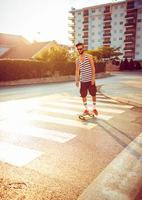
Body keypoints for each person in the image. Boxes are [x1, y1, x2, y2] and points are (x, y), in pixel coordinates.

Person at [75, 42, 98, 116]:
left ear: (83, 48)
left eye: (80, 49)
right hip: (83, 81)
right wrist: (77, 80)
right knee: (83, 95)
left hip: (90, 80)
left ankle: (94, 108)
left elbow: (93, 68)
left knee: (93, 94)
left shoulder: (89, 56)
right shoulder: (77, 60)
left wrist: (93, 78)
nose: (79, 50)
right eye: (78, 49)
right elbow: (77, 70)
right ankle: (86, 110)